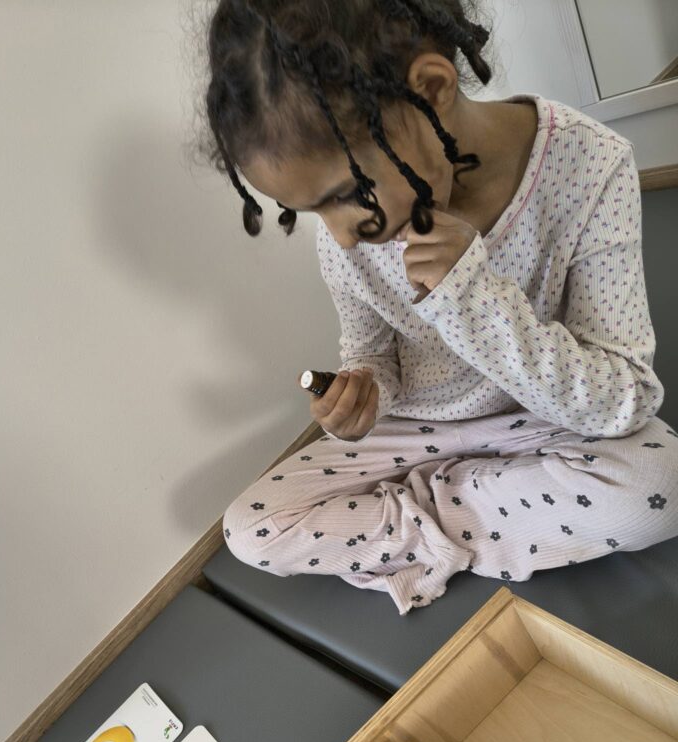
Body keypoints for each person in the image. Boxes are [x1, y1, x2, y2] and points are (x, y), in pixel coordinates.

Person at [202, 0, 678, 615]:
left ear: (432, 88)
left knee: (661, 485)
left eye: (345, 195)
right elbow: (371, 354)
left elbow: (624, 398)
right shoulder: (348, 243)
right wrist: (362, 396)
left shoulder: (591, 165)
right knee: (251, 528)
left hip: (544, 422)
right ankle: (475, 511)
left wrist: (473, 297)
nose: (340, 237)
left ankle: (424, 525)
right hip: (417, 434)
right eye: (310, 212)